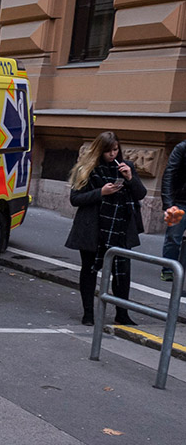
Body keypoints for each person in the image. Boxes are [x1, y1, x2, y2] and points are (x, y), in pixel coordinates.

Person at [65, 131, 146, 326]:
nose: (112, 154)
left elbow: (140, 193)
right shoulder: (87, 169)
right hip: (93, 227)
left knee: (122, 271)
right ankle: (88, 313)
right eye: (108, 151)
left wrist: (130, 178)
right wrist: (101, 192)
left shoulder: (126, 168)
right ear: (99, 150)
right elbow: (75, 199)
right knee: (89, 270)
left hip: (120, 227)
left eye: (115, 150)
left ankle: (122, 313)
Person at [160, 139, 186, 280]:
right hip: (179, 201)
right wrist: (169, 204)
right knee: (173, 237)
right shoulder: (182, 148)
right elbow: (169, 175)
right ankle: (168, 269)